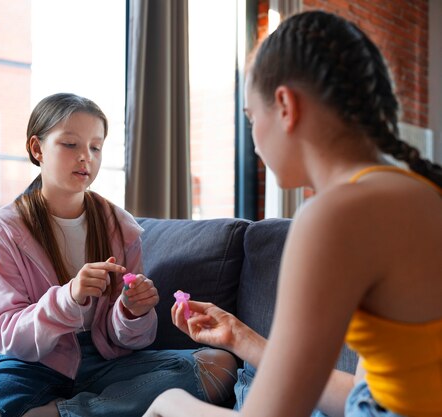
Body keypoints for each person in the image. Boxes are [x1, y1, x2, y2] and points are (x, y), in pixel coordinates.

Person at [144, 10, 442, 417]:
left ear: (284, 105)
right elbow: (368, 397)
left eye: (250, 117)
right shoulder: (421, 193)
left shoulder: (336, 215)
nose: (253, 141)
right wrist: (241, 338)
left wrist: (169, 402)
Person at [0, 92, 237, 417]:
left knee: (219, 365)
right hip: (32, 363)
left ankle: (64, 412)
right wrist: (70, 296)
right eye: (70, 145)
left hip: (107, 361)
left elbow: (129, 340)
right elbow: (9, 337)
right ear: (37, 148)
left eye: (95, 147)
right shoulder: (5, 229)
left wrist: (132, 311)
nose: (86, 157)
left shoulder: (120, 226)